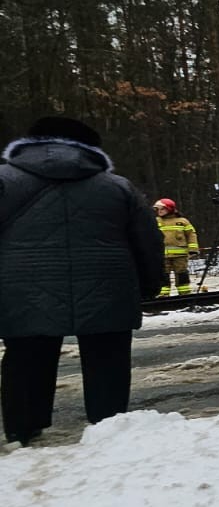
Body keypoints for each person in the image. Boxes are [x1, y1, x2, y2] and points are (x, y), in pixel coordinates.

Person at [0, 116, 164, 446]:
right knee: (108, 357)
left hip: (21, 286)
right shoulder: (118, 186)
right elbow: (147, 239)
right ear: (91, 148)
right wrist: (150, 284)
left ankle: (23, 430)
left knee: (26, 355)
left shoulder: (4, 181)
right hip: (108, 285)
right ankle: (107, 426)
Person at [154, 198, 201, 296]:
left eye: (162, 209)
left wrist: (193, 249)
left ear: (170, 209)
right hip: (161, 256)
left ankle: (184, 294)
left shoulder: (182, 221)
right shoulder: (155, 221)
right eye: (157, 209)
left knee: (182, 274)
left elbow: (191, 234)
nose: (159, 211)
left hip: (180, 255)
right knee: (163, 275)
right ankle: (163, 295)